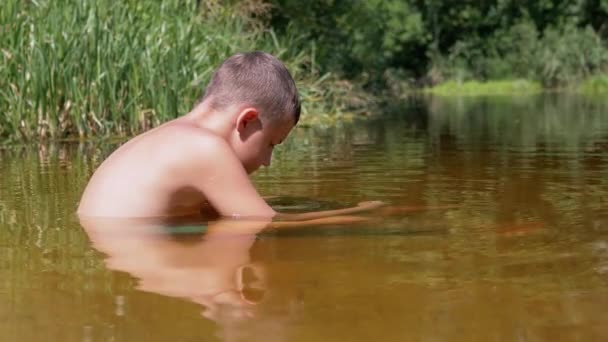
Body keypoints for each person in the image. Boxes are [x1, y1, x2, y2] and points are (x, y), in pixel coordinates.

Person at [77, 51, 382, 224]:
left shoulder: (170, 136)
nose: (267, 162)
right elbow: (266, 222)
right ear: (246, 120)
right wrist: (364, 211)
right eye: (271, 144)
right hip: (132, 241)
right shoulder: (204, 148)